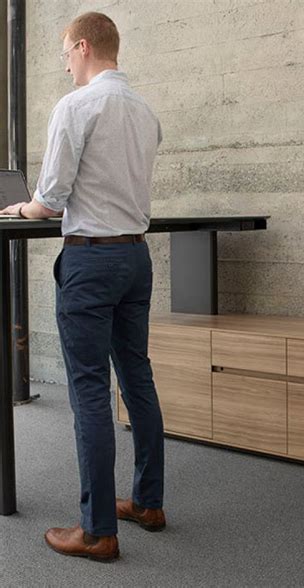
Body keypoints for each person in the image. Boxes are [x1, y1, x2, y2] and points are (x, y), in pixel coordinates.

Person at [0, 12, 165, 562]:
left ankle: (96, 531)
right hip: (136, 258)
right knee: (136, 378)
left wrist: (21, 207)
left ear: (83, 45)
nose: (64, 63)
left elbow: (49, 201)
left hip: (91, 264)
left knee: (90, 390)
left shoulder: (76, 107)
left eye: (67, 53)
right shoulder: (145, 111)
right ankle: (147, 502)